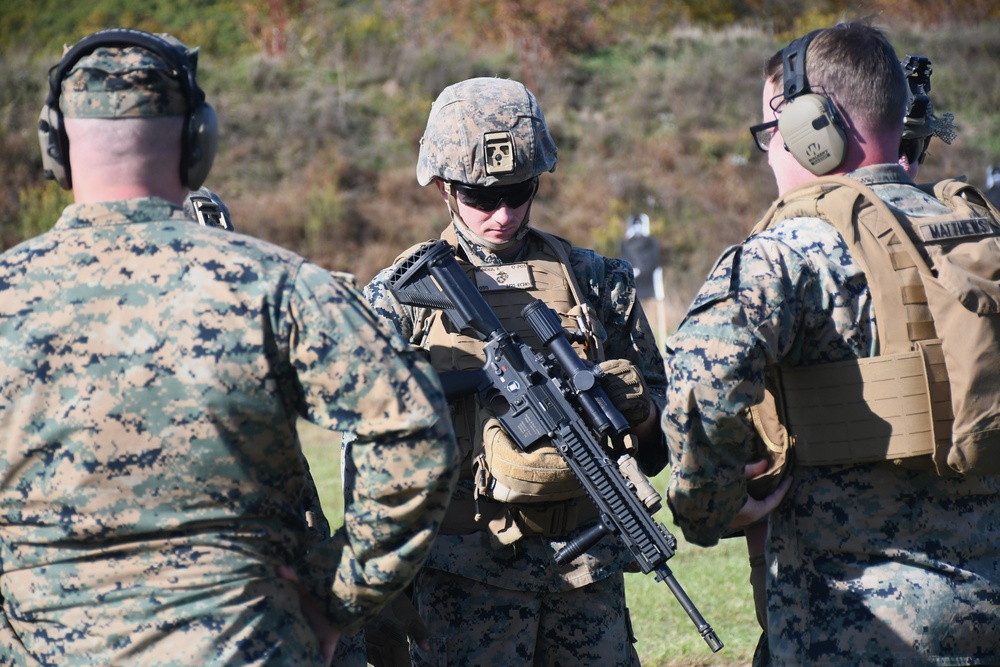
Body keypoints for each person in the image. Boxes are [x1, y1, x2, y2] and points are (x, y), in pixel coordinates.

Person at [0, 28, 458, 665]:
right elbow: (414, 436)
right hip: (243, 644)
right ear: (198, 142)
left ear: (53, 146)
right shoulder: (276, 285)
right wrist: (336, 596)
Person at [662, 22, 1000, 665]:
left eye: (773, 132)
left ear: (811, 130)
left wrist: (711, 506)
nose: (770, 153)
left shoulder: (790, 251)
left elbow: (702, 380)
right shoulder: (980, 235)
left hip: (857, 623)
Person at [349, 76, 669, 666]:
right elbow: (363, 447)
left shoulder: (597, 281)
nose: (501, 214)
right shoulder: (401, 300)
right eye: (479, 196)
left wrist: (641, 410)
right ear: (443, 188)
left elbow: (656, 450)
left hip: (585, 575)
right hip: (462, 581)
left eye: (518, 192)